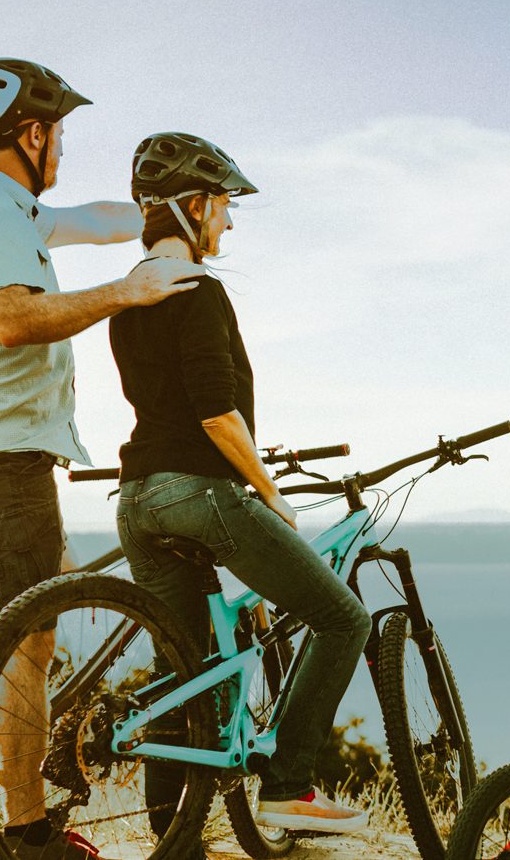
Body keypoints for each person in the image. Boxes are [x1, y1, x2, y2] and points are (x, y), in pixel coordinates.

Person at [0, 57, 202, 860]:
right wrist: (129, 291)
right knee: (29, 636)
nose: (63, 145)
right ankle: (27, 833)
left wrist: (162, 217)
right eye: (59, 131)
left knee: (41, 613)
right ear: (32, 132)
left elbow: (93, 218)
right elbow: (12, 318)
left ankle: (28, 756)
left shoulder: (3, 205)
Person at [109, 132, 371, 842]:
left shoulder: (130, 295)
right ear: (193, 206)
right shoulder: (198, 289)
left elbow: (166, 405)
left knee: (183, 677)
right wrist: (271, 491)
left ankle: (175, 842)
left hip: (137, 500)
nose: (228, 222)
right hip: (199, 495)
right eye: (223, 206)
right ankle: (289, 786)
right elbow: (215, 411)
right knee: (344, 618)